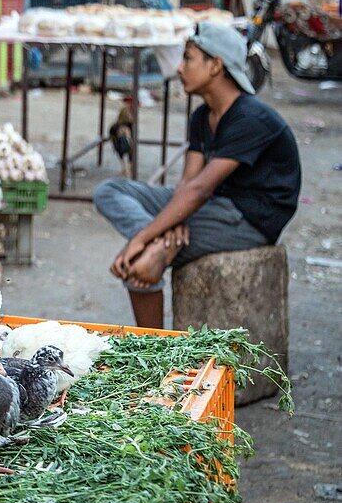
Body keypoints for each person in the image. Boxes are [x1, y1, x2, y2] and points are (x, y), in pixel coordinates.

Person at [93, 22, 301, 329]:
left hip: (250, 218)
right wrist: (168, 228)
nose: (179, 68)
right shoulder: (202, 116)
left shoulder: (251, 117)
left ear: (216, 65)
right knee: (109, 191)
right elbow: (188, 183)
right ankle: (161, 243)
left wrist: (142, 239)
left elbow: (200, 189)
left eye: (188, 58)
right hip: (212, 204)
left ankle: (155, 352)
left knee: (138, 262)